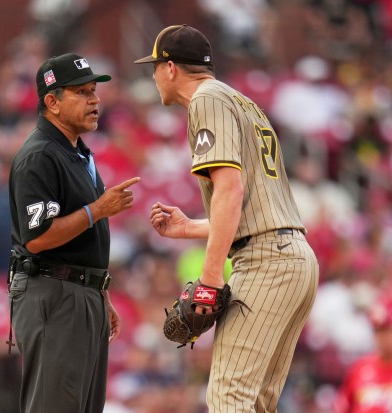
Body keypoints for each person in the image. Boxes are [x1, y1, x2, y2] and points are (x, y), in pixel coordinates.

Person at [135, 25, 320, 413]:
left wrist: (211, 277)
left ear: (170, 68)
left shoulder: (206, 100)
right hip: (292, 255)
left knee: (227, 398)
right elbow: (253, 206)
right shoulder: (242, 101)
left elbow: (230, 190)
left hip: (267, 261)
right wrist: (191, 227)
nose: (153, 75)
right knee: (257, 403)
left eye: (155, 66)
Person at [8, 52, 140, 413]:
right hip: (53, 294)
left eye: (94, 91)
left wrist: (100, 290)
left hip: (80, 292)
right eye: (81, 92)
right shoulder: (40, 155)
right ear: (52, 101)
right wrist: (98, 209)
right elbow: (38, 238)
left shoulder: (77, 153)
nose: (95, 100)